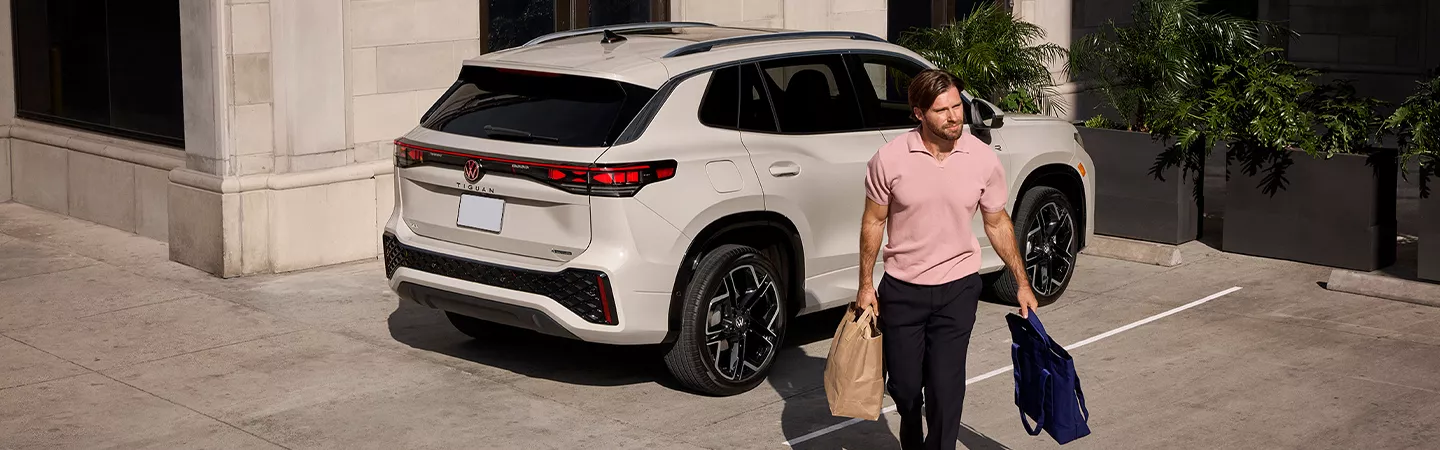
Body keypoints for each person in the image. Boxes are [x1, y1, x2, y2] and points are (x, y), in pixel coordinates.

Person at [855, 69, 1039, 450]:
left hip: (958, 290)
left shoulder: (982, 158)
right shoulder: (889, 160)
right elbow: (873, 221)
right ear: (918, 113)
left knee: (946, 387)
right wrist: (865, 286)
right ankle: (909, 420)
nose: (954, 116)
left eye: (957, 106)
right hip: (903, 290)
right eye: (942, 110)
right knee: (905, 388)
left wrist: (1022, 282)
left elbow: (997, 221)